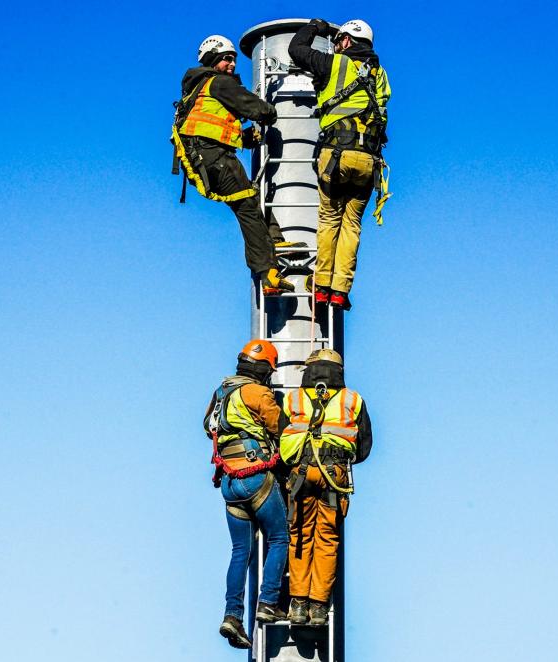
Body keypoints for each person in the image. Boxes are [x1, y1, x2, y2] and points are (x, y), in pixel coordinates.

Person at [173, 35, 295, 295]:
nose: (232, 64)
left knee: (250, 198)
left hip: (208, 159)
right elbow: (258, 110)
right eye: (227, 58)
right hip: (216, 159)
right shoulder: (218, 83)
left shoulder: (200, 90)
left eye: (234, 60)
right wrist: (271, 111)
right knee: (248, 208)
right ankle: (268, 272)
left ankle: (273, 240)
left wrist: (246, 138)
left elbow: (212, 128)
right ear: (213, 60)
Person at [289, 19, 391, 311]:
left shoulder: (333, 64)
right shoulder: (380, 74)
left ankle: (321, 287)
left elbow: (297, 49)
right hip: (368, 160)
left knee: (330, 219)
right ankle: (340, 291)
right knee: (352, 226)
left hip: (336, 155)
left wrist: (315, 28)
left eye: (338, 41)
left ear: (346, 41)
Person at [204, 339, 289, 649]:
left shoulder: (221, 392)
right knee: (279, 538)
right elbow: (280, 427)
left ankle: (232, 615)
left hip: (229, 483)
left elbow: (207, 427)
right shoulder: (257, 392)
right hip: (256, 477)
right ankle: (268, 603)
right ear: (265, 369)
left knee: (241, 551)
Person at [278, 349, 372, 626]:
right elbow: (364, 447)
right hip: (334, 475)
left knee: (300, 536)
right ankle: (318, 607)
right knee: (327, 540)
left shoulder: (294, 398)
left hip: (301, 474)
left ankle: (297, 603)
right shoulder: (352, 399)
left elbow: (283, 436)